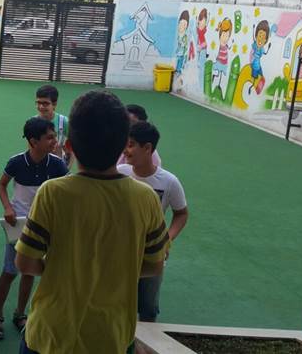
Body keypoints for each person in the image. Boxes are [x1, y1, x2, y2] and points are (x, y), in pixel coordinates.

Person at [15, 90, 169, 354]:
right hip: (112, 336)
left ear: (69, 146)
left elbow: (25, 263)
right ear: (124, 145)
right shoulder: (147, 198)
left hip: (51, 335)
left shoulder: (53, 193)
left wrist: (65, 269)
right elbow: (155, 265)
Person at [0, 118, 68, 341]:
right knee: (9, 271)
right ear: (33, 141)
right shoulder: (17, 162)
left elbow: (65, 193)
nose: (54, 141)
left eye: (54, 136)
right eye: (49, 137)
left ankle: (20, 314)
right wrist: (7, 207)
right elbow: (2, 184)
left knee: (30, 272)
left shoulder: (58, 165)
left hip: (43, 227)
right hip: (18, 225)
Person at [118, 121, 188, 323]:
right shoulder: (120, 172)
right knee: (117, 302)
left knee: (147, 307)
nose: (125, 150)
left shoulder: (169, 181)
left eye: (131, 145)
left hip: (152, 255)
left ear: (147, 148)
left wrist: (167, 239)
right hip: (120, 252)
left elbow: (181, 213)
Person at [34, 85, 71, 166]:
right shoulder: (32, 122)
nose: (41, 107)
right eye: (38, 103)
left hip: (58, 165)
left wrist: (66, 169)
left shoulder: (64, 122)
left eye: (45, 103)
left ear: (54, 104)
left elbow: (72, 149)